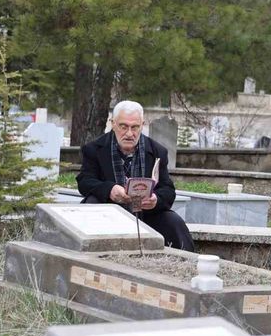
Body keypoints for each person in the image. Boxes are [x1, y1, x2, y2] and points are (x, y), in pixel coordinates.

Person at [77, 100, 195, 251]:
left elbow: (168, 190)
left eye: (135, 127)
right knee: (91, 204)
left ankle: (186, 265)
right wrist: (110, 189)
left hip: (145, 215)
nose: (129, 134)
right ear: (113, 124)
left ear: (142, 125)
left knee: (174, 222)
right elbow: (85, 182)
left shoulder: (157, 151)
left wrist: (155, 200)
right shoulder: (94, 149)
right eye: (123, 127)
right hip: (108, 213)